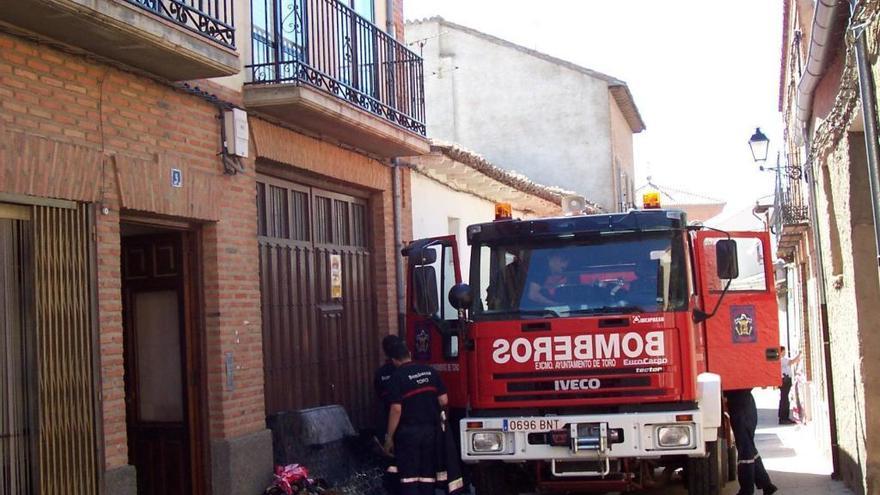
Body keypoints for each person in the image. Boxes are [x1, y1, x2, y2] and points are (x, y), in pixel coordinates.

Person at [384, 340, 459, 495]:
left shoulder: (397, 377)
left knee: (409, 478)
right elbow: (444, 400)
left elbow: (396, 409)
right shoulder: (429, 371)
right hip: (431, 432)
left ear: (394, 361)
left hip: (408, 435)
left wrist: (389, 437)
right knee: (427, 476)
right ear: (410, 354)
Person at [726, 389, 778, 495]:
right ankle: (766, 484)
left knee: (745, 453)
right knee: (749, 448)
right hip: (743, 407)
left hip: (741, 409)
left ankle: (747, 490)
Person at [374, 335, 403, 495]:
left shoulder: (381, 373)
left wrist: (388, 435)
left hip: (389, 422)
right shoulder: (409, 371)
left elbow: (382, 398)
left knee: (391, 459)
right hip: (410, 423)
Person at [778, 346, 801, 424]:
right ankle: (784, 418)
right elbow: (791, 362)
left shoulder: (782, 359)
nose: (785, 353)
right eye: (784, 351)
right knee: (784, 400)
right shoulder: (781, 359)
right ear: (781, 352)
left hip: (785, 381)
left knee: (784, 399)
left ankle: (783, 417)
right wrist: (799, 354)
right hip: (785, 381)